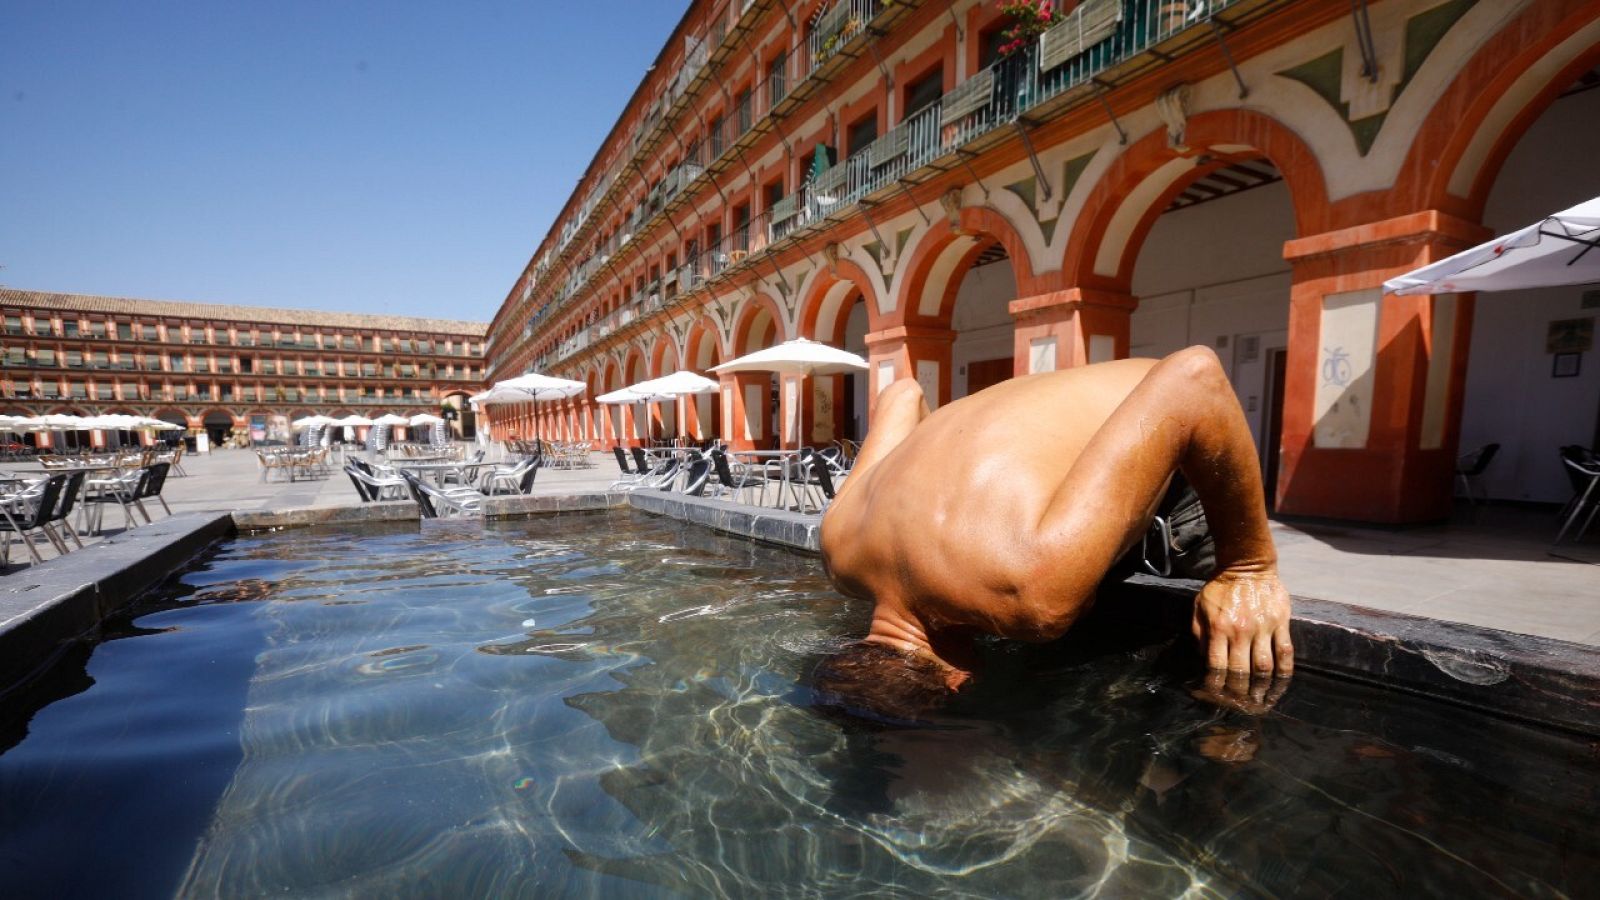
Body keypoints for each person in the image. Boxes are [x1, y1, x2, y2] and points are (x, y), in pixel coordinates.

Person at [815, 346, 1292, 718]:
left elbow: (1196, 377)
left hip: (1181, 422)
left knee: (1230, 659)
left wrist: (1247, 568)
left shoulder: (1032, 594)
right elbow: (903, 395)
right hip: (1103, 402)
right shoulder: (838, 549)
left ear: (957, 681)